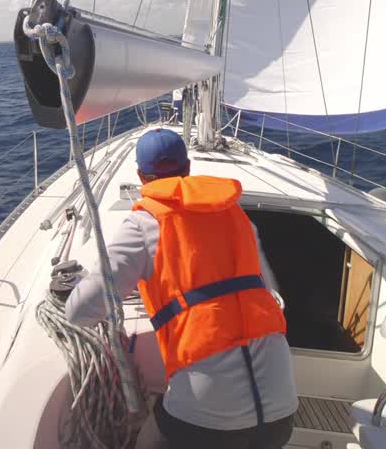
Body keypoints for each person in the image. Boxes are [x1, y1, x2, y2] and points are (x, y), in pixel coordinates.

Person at [55, 128, 298, 449]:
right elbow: (263, 289)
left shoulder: (143, 223)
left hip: (206, 416)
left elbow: (81, 312)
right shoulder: (238, 216)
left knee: (147, 441)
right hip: (282, 413)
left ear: (142, 176)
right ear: (187, 169)